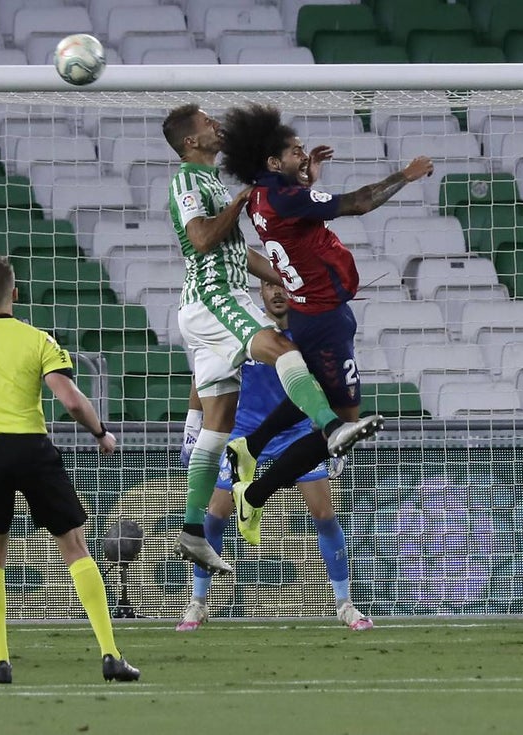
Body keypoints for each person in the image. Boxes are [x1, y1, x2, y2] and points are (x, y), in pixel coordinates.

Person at [162, 103, 385, 577]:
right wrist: (238, 205)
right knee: (284, 350)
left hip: (205, 304)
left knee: (217, 428)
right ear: (191, 142)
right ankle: (330, 427)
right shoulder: (187, 180)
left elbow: (237, 251)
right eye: (207, 124)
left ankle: (191, 531)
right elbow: (202, 239)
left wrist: (283, 274)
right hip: (213, 297)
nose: (216, 126)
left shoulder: (210, 182)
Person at [0, 256, 139, 685]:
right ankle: (110, 654)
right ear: (15, 294)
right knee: (74, 548)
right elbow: (71, 401)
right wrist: (101, 433)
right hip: (32, 449)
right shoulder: (38, 339)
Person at [216, 103, 434, 543]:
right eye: (295, 152)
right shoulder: (284, 197)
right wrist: (403, 176)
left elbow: (293, 215)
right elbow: (357, 203)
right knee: (342, 423)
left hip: (311, 312)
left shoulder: (263, 195)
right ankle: (255, 494)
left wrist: (306, 177)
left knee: (314, 400)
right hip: (324, 317)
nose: (303, 156)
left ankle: (250, 448)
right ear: (273, 162)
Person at [176, 281, 372, 632]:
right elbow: (204, 374)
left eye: (282, 285)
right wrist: (194, 427)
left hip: (296, 431)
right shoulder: (246, 331)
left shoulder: (307, 332)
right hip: (245, 433)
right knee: (216, 515)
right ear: (261, 293)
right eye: (269, 286)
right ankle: (198, 602)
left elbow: (330, 380)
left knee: (325, 514)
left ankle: (344, 604)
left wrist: (331, 434)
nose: (277, 292)